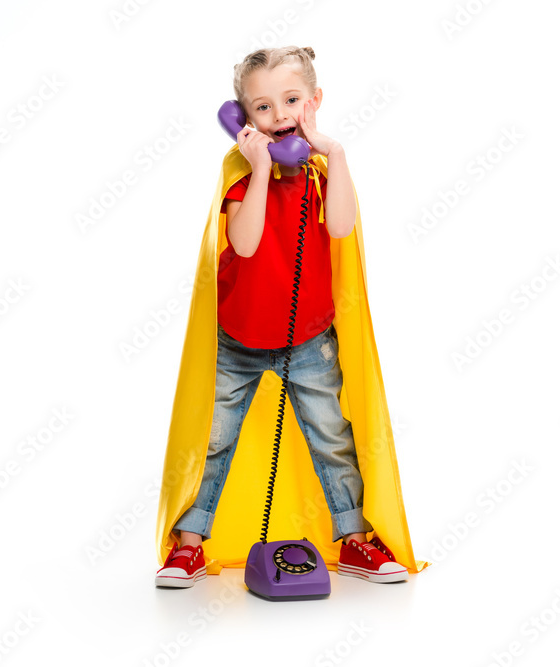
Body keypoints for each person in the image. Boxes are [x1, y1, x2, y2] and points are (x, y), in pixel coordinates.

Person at [155, 46, 409, 588]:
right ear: (243, 118)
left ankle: (355, 541)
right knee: (214, 440)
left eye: (292, 100)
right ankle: (188, 546)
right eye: (263, 107)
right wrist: (261, 168)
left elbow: (340, 227)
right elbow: (245, 243)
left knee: (332, 437)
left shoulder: (321, 171)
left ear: (314, 102)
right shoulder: (240, 170)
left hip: (308, 339)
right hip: (238, 339)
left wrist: (335, 153)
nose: (279, 115)